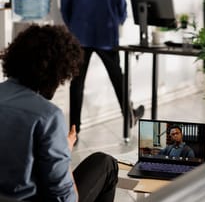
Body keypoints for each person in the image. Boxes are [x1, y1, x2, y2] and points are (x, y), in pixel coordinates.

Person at [0, 24, 118, 202]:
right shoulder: (48, 116)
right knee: (106, 164)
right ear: (57, 72)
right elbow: (66, 199)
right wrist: (65, 151)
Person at [60, 0, 144, 136]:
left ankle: (74, 130)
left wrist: (73, 26)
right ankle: (129, 114)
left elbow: (65, 2)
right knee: (117, 77)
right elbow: (121, 7)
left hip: (79, 35)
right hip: (106, 35)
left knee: (77, 82)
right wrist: (118, 21)